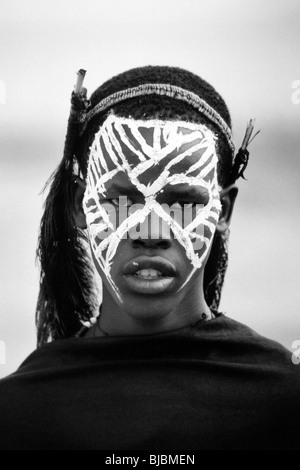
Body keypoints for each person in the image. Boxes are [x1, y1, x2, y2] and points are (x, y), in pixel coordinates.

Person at [0, 66, 299, 450]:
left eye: (182, 203)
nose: (151, 232)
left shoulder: (286, 404)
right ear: (79, 205)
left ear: (222, 211)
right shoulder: (18, 414)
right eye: (122, 202)